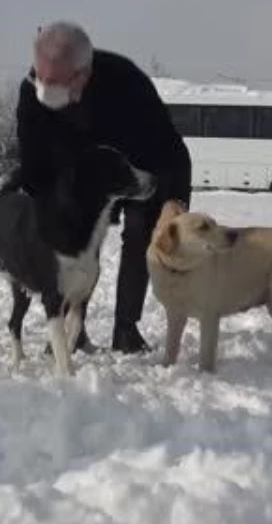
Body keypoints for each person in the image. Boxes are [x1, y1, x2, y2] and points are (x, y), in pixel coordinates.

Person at [11, 21, 192, 354]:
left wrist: (175, 201)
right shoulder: (31, 91)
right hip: (78, 176)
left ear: (83, 73)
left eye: (57, 85)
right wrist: (42, 211)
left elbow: (170, 150)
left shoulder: (127, 82)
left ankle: (127, 329)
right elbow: (34, 162)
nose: (44, 89)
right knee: (75, 241)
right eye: (41, 79)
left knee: (141, 232)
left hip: (141, 166)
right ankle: (70, 331)